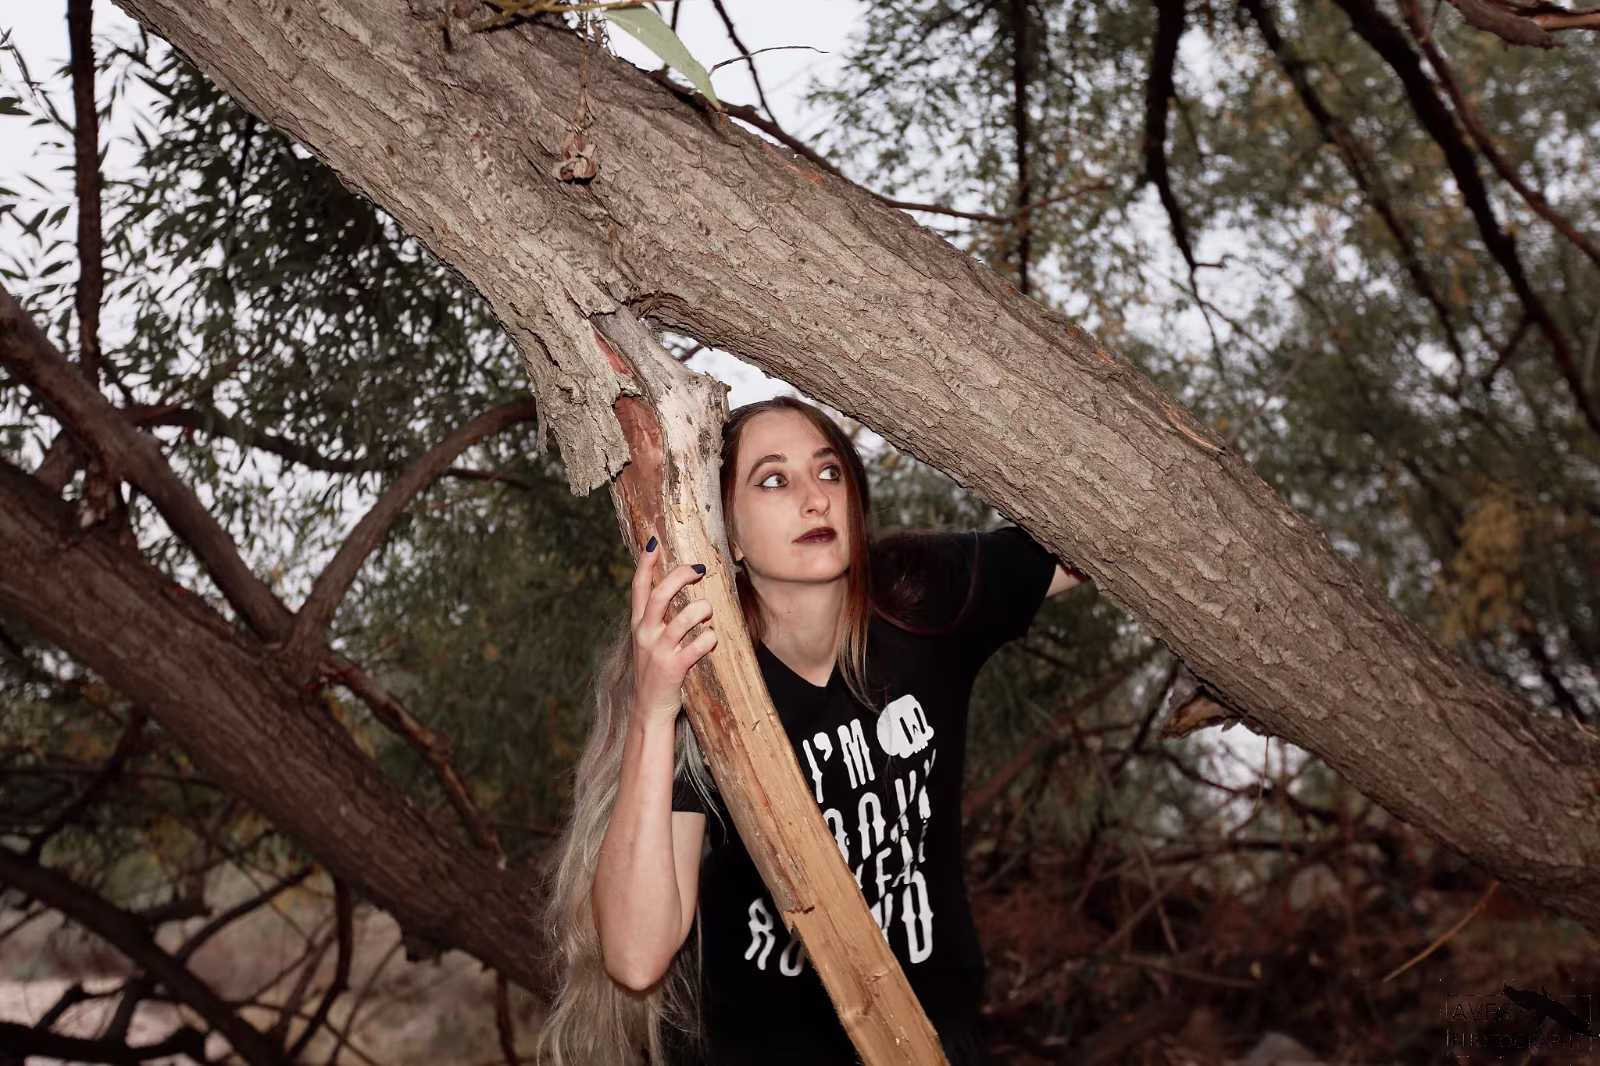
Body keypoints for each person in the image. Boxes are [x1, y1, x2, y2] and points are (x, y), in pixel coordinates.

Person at [538, 397, 1081, 1066]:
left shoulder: (920, 597)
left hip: (934, 1041)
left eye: (830, 472)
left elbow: (1107, 546)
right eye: (773, 479)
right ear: (728, 535)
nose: (815, 498)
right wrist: (653, 712)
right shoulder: (709, 682)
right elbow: (636, 956)